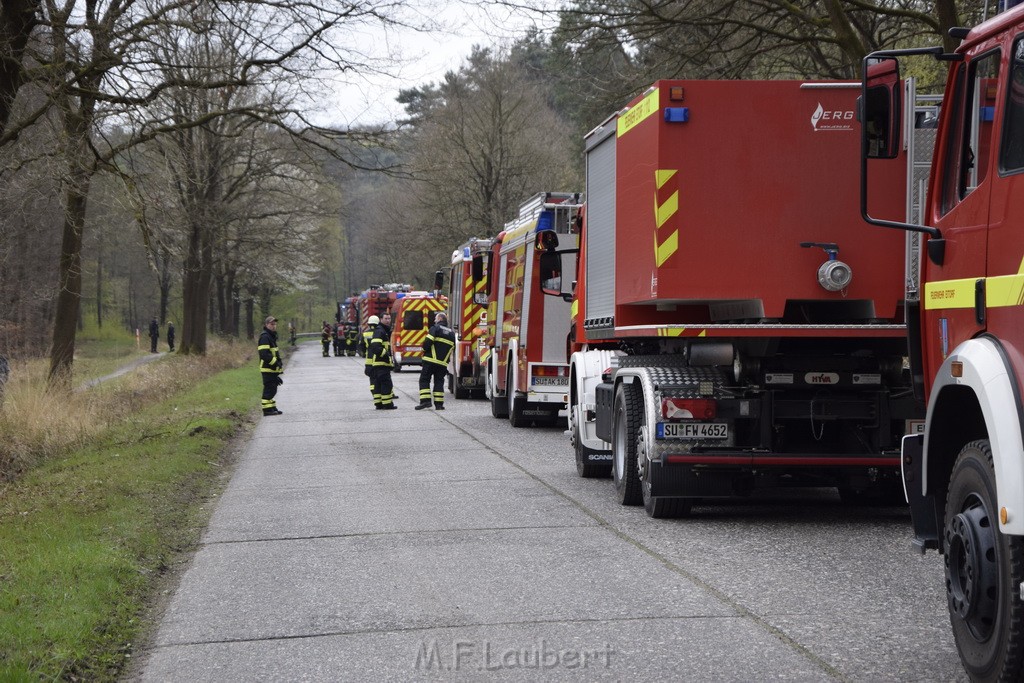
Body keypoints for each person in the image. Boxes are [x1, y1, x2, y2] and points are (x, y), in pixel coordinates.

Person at [416, 311, 456, 410]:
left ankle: (425, 401)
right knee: (439, 382)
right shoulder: (451, 333)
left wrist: (424, 350)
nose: (434, 321)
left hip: (430, 360)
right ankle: (439, 405)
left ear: (440, 319)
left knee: (424, 380)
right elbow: (453, 347)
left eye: (435, 319)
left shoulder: (435, 328)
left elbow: (428, 342)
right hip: (442, 363)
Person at [368, 312, 396, 410]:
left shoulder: (382, 330)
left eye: (389, 318)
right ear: (380, 319)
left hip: (379, 363)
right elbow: (375, 347)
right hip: (381, 363)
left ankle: (379, 403)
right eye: (386, 319)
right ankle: (387, 404)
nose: (388, 320)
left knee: (378, 384)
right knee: (386, 384)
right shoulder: (380, 331)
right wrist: (386, 355)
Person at [258, 316, 284, 415]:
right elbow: (264, 354)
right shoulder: (265, 337)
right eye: (271, 324)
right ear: (266, 325)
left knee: (273, 388)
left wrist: (279, 365)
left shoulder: (271, 336)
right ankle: (267, 410)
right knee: (269, 389)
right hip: (267, 368)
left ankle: (272, 407)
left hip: (272, 369)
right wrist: (275, 363)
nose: (274, 326)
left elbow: (275, 353)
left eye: (275, 324)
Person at [358, 315, 379, 406]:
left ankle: (374, 393)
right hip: (379, 359)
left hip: (369, 360)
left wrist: (364, 353)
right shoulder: (379, 333)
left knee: (372, 379)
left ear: (369, 324)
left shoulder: (365, 334)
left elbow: (361, 346)